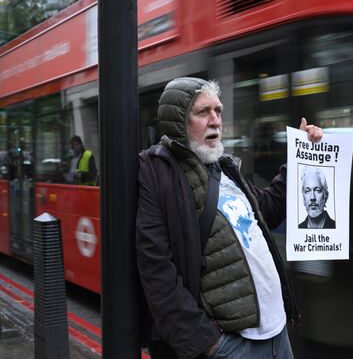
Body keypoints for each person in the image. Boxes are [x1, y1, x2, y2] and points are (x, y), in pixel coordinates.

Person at [135, 77, 323, 359]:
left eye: (218, 111)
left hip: (277, 332)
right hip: (234, 347)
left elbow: (268, 209)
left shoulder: (225, 169)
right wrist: (206, 343)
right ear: (178, 122)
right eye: (203, 112)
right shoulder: (159, 172)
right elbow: (156, 267)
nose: (215, 121)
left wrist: (301, 155)